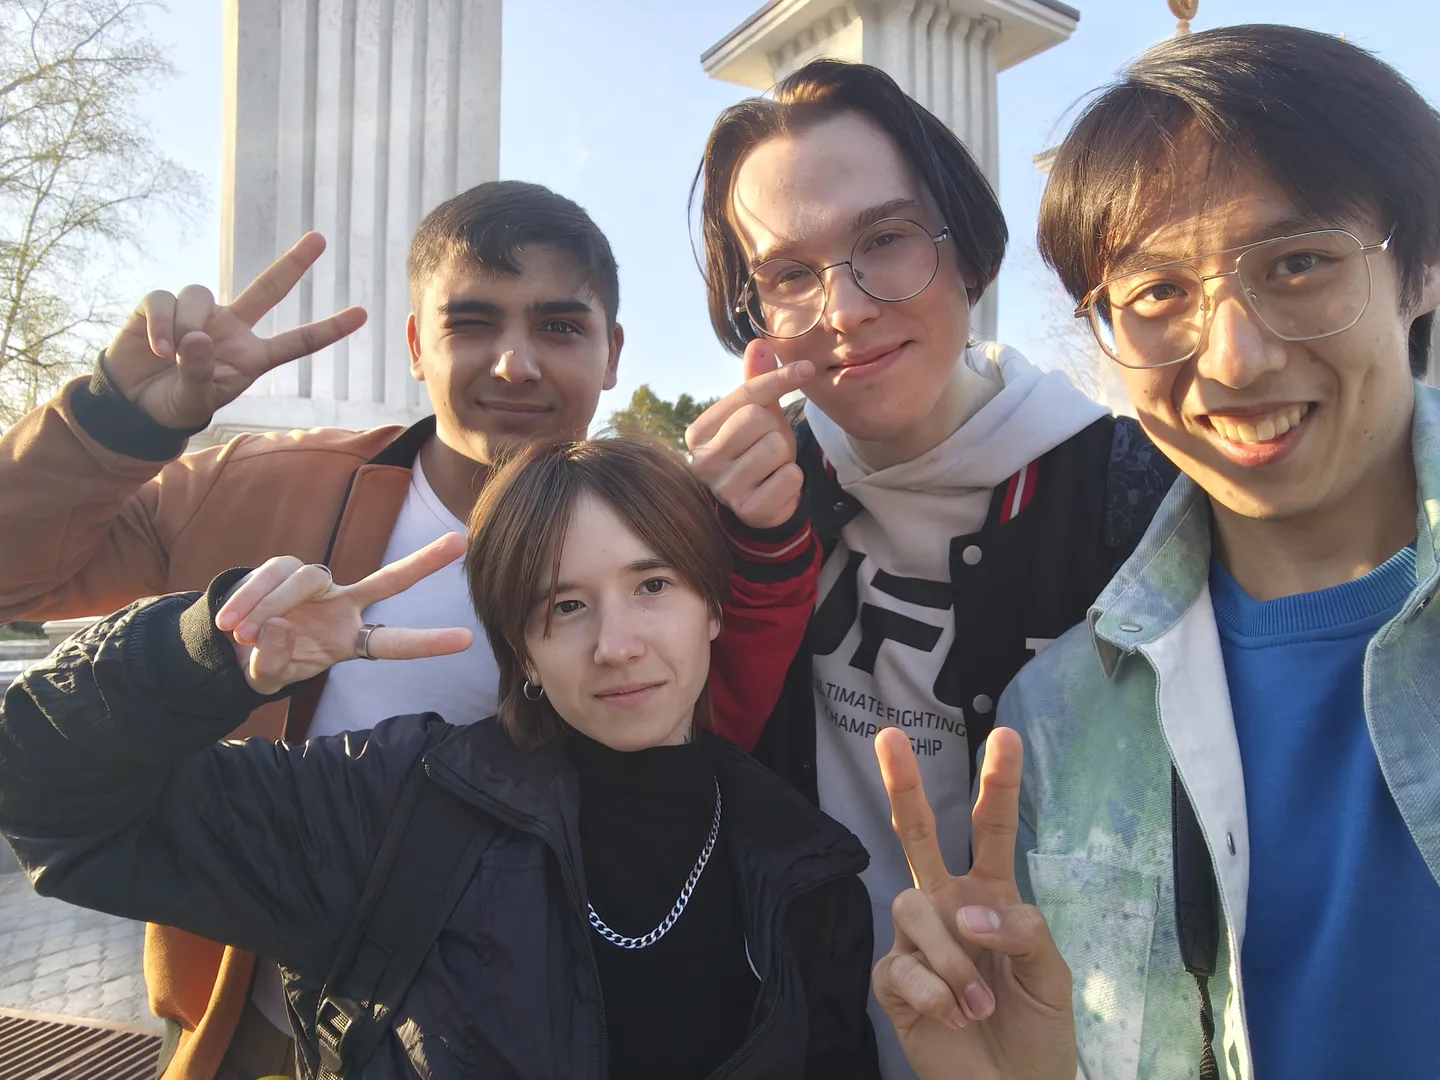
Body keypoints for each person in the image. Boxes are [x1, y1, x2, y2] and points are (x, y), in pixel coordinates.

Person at [873, 24, 1440, 1080]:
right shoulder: (1065, 716)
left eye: (1300, 262)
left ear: (1422, 265)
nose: (1233, 357)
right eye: (1156, 296)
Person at [0, 436, 881, 1080]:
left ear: (713, 609)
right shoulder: (391, 805)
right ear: (521, 650)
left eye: (653, 586)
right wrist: (204, 653)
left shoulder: (803, 865)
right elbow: (47, 795)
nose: (617, 644)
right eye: (564, 605)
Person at [0, 180, 629, 1079]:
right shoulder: (260, 489)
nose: (515, 363)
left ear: (612, 353)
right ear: (417, 345)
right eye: (473, 324)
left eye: (560, 326)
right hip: (265, 1034)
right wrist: (114, 421)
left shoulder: (669, 545)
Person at [686, 58, 1176, 1077]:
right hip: (807, 1035)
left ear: (967, 251)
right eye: (787, 275)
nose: (845, 309)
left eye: (885, 241)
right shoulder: (756, 503)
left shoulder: (1137, 500)